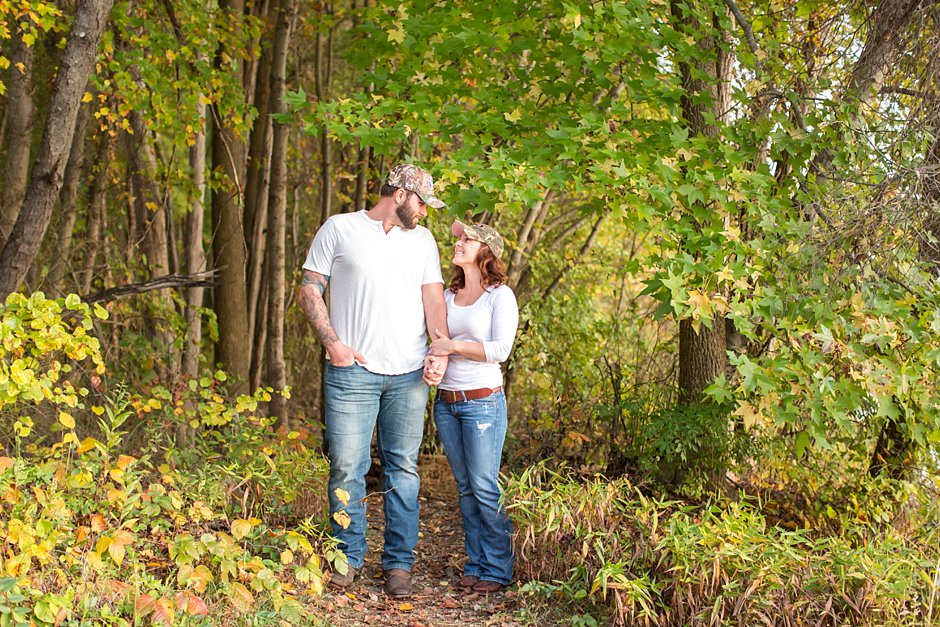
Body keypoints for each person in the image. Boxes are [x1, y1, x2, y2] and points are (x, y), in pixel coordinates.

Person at [299, 164, 449, 599]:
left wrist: (438, 350)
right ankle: (347, 560)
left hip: (408, 376)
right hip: (352, 373)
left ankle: (399, 566)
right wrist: (333, 345)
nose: (424, 212)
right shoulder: (339, 229)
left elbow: (433, 302)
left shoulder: (422, 241)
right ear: (400, 194)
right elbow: (310, 288)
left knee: (403, 470)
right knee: (348, 467)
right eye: (421, 202)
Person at [427, 220, 518, 594]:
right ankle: (476, 562)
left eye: (467, 239)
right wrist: (433, 362)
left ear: (485, 251)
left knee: (483, 487)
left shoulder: (500, 296)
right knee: (465, 489)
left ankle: (498, 568)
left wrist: (453, 347)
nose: (459, 243)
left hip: (483, 403)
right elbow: (435, 340)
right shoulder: (450, 295)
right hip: (447, 404)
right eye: (459, 238)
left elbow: (500, 350)